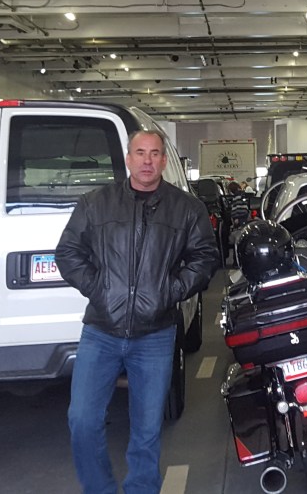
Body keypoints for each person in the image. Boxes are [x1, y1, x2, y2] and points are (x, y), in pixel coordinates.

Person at [56, 129, 220, 494]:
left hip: (155, 333)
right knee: (82, 420)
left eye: (155, 153)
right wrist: (99, 290)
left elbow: (205, 258)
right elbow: (68, 252)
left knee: (146, 431)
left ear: (164, 160)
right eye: (140, 152)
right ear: (128, 158)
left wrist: (170, 291)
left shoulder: (186, 208)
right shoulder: (96, 203)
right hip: (101, 330)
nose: (147, 160)